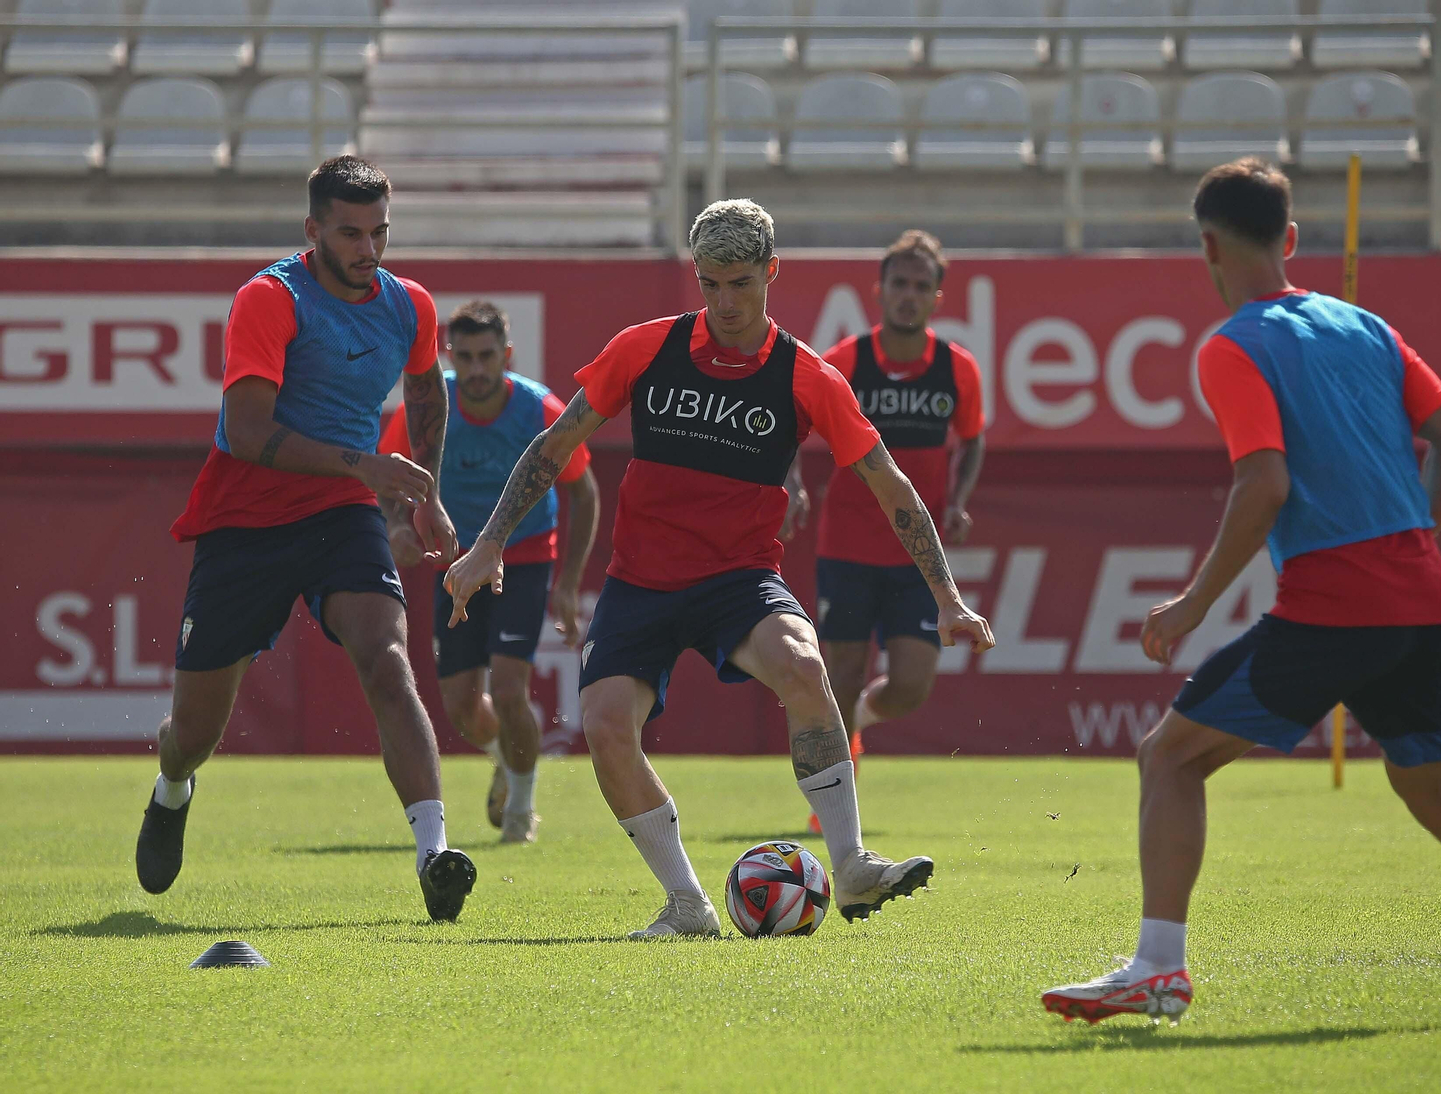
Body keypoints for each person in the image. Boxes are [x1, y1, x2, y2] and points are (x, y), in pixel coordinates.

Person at [1040, 158, 1441, 1028]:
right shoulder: (1367, 326)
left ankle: (1157, 967)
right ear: (1290, 240)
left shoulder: (1231, 346)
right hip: (1422, 601)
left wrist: (1191, 604)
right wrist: (1411, 538)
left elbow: (1263, 485)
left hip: (1337, 605)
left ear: (1209, 247)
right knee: (1437, 794)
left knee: (1168, 757)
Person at [446, 199, 995, 939]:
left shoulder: (809, 376)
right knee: (607, 727)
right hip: (640, 582)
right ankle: (687, 904)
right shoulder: (644, 348)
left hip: (739, 580)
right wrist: (489, 544)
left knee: (805, 666)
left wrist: (949, 598)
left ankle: (854, 864)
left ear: (771, 272)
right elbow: (554, 444)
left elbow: (892, 486)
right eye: (711, 284)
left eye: (741, 283)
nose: (726, 302)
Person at [138, 156, 478, 923]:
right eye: (351, 233)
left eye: (380, 232)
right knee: (193, 734)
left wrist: (421, 492)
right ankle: (171, 789)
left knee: (388, 658)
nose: (368, 249)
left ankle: (434, 856)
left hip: (342, 512)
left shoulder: (411, 305)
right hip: (244, 517)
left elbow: (425, 393)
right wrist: (372, 465)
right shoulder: (268, 298)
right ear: (312, 230)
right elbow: (253, 433)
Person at [786, 230, 985, 835]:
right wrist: (792, 482)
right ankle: (837, 805)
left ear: (937, 298)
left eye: (921, 286)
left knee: (911, 686)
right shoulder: (847, 360)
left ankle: (863, 722)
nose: (908, 295)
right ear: (879, 290)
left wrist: (959, 500)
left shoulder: (958, 369)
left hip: (917, 558)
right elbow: (792, 421)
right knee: (839, 674)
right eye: (899, 283)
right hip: (846, 547)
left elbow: (972, 440)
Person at [378, 300, 600, 843]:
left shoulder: (539, 409)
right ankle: (510, 755)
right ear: (451, 355)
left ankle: (521, 814)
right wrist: (397, 526)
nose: (477, 370)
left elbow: (585, 492)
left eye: (487, 357)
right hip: (454, 563)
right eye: (466, 357)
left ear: (507, 355)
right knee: (460, 708)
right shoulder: (426, 408)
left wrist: (568, 583)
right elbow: (387, 478)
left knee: (507, 688)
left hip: (523, 558)